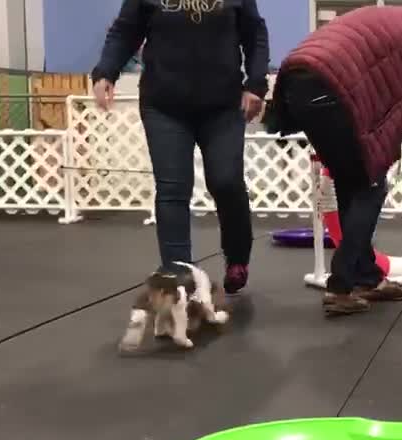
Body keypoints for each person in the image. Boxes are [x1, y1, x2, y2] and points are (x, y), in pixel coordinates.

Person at [272, 0, 402, 317]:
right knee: (371, 185)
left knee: (352, 180)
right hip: (331, 85)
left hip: (298, 80)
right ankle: (341, 285)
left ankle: (366, 277)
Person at [91, 0, 270, 295]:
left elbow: (254, 33)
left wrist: (256, 82)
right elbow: (125, 30)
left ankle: (237, 258)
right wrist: (105, 71)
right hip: (164, 106)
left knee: (226, 182)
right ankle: (179, 282)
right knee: (173, 189)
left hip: (223, 106)